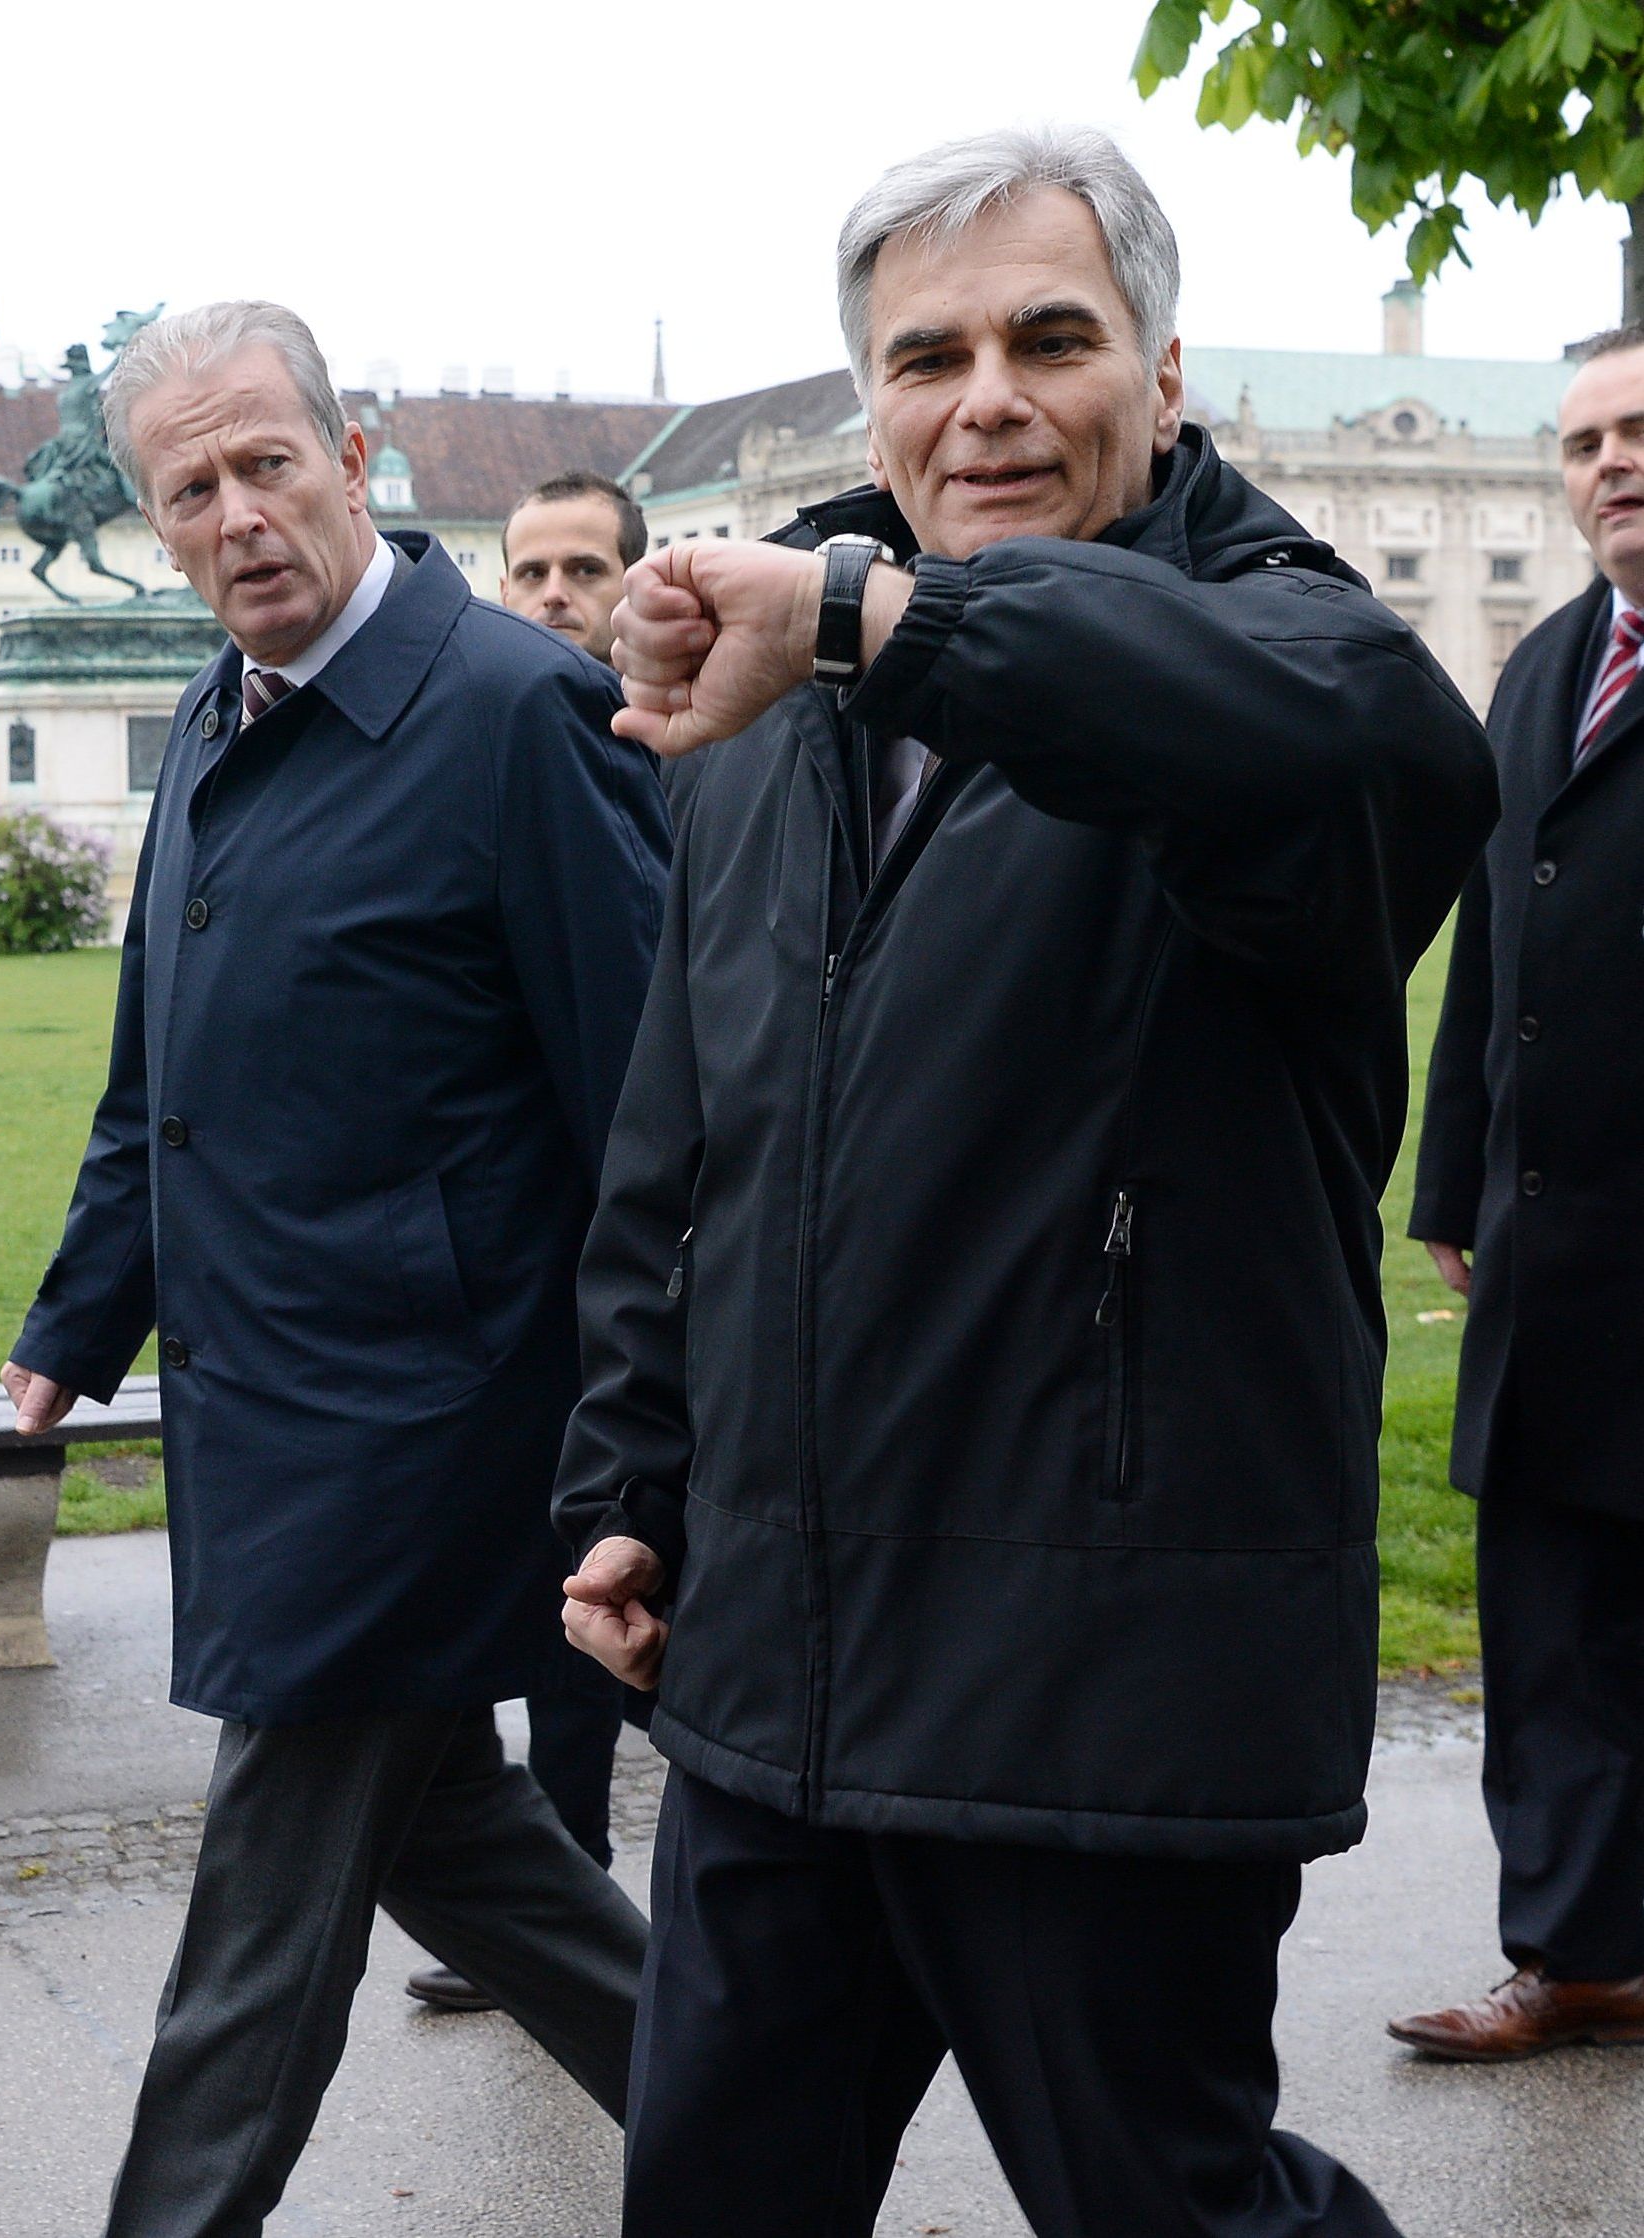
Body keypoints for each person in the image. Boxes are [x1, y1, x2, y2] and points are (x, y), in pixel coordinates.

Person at [553, 126, 1495, 2237]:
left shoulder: (1271, 655)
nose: (982, 397)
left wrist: (888, 622)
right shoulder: (767, 710)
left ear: (1163, 384)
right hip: (778, 1676)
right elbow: (679, 1156)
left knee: (1165, 2206)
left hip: (1094, 1683)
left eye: (1048, 340)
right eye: (926, 354)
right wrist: (627, 1485)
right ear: (868, 401)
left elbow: (1377, 757)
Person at [2, 299, 672, 2238]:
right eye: (185, 491)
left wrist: (648, 1437)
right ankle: (764, 2143)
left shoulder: (506, 712)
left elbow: (649, 1107)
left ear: (353, 461)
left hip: (426, 1432)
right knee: (463, 1849)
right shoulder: (217, 721)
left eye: (264, 466)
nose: (233, 519)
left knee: (261, 1915)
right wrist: (69, 1328)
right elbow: (161, 1084)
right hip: (258, 1402)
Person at [382, 466, 662, 2024]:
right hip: (516, 1273)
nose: (555, 593)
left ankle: (594, 1921)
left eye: (583, 570)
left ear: (633, 582)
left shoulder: (672, 737)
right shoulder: (498, 733)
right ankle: (562, 1898)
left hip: (628, 1265)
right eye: (531, 570)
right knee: (556, 1603)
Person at [1392, 327, 1644, 2062]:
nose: (1606, 464)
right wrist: (1450, 1179)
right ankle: (1572, 1952)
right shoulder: (1546, 661)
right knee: (1548, 1613)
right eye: (1579, 442)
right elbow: (1495, 934)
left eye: (1635, 430)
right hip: (1555, 1229)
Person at [501, 470, 647, 661]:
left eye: (586, 571)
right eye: (533, 574)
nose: (553, 594)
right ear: (505, 595)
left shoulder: (689, 689)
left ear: (637, 588)